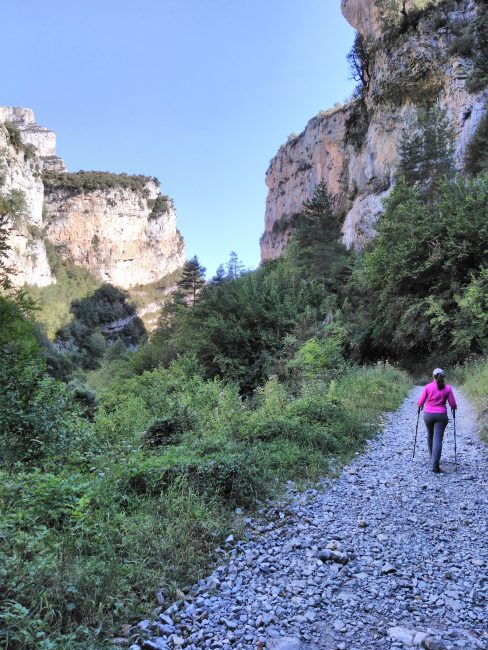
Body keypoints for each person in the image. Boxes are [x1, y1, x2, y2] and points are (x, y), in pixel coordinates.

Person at [417, 368, 457, 473]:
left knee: (430, 435)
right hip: (441, 416)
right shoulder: (447, 388)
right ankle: (435, 464)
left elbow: (420, 402)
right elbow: (453, 404)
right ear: (443, 377)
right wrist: (454, 408)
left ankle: (432, 458)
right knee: (438, 438)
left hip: (428, 415)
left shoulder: (427, 387)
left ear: (433, 376)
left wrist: (420, 406)